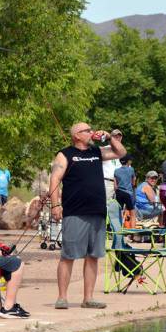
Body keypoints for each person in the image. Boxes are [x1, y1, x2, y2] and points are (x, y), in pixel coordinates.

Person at [49, 122, 126, 309]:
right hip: (75, 211)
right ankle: (62, 297)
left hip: (97, 210)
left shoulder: (96, 152)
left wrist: (109, 137)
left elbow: (121, 153)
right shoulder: (65, 154)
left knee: (93, 256)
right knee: (68, 255)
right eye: (87, 130)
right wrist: (55, 205)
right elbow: (54, 180)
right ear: (76, 135)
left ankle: (88, 298)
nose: (91, 132)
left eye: (92, 130)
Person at [113, 155, 136, 227]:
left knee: (119, 212)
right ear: (128, 161)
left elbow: (115, 186)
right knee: (132, 213)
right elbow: (133, 182)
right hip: (128, 193)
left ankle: (118, 229)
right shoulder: (131, 169)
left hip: (119, 192)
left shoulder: (116, 171)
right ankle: (133, 233)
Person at [101, 129, 124, 201]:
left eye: (119, 136)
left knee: (114, 208)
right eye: (115, 137)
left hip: (118, 185)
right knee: (105, 206)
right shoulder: (105, 149)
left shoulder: (122, 153)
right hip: (106, 182)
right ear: (111, 138)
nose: (117, 138)